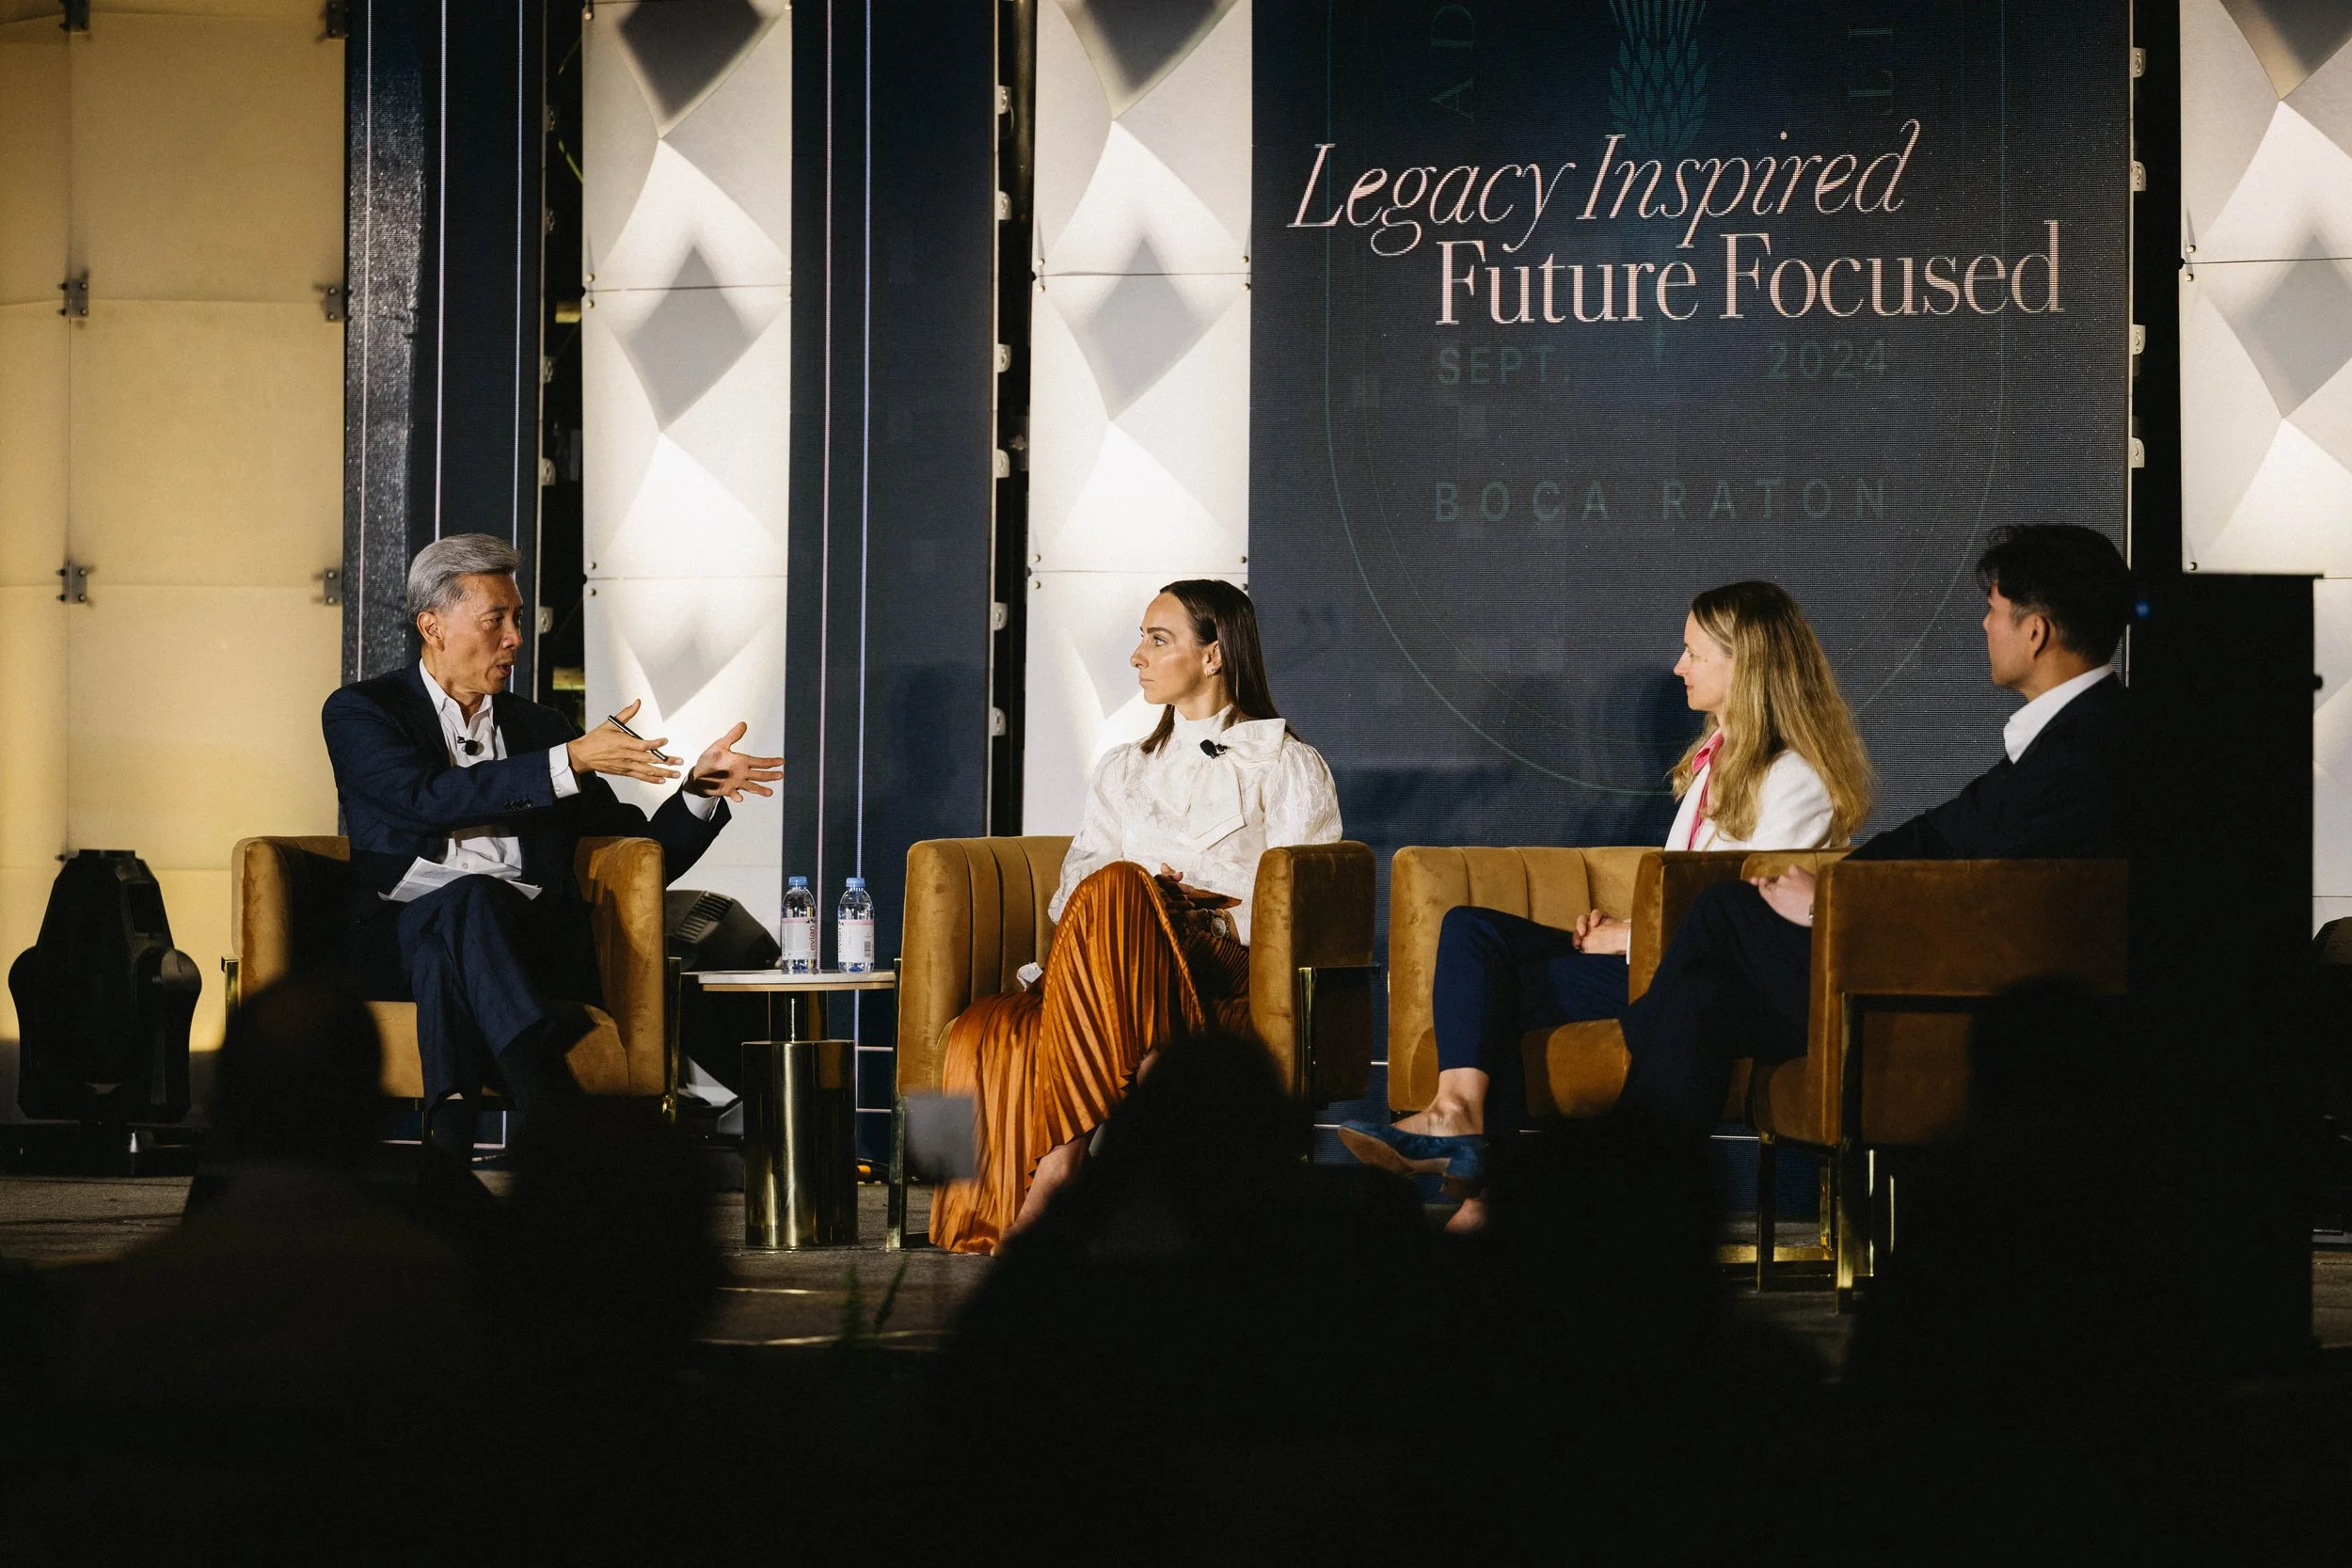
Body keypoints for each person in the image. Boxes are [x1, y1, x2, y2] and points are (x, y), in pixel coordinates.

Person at [1336, 581, 1872, 1228]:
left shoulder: (1795, 778)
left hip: (1697, 977)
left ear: (1746, 665)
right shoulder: (1714, 761)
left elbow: (1740, 918)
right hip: (1648, 956)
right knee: (1474, 932)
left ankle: (1482, 1194)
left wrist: (1631, 937)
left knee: (1498, 989)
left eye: (1694, 653)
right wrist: (1626, 933)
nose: (1679, 667)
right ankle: (1460, 1116)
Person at [1614, 524, 2131, 1133]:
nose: (1985, 627)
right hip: (1921, 960)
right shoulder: (2065, 736)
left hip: (1956, 988)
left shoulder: (2084, 752)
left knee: (1725, 910)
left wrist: (1826, 906)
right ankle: (1631, 1204)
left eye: (1993, 612)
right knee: (1703, 998)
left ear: (2036, 630)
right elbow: (1931, 839)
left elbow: (1996, 900)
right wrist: (1829, 890)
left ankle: (1625, 1138)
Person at [321, 533, 783, 1160]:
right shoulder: (362, 711)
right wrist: (566, 761)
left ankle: (451, 1138)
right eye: (496, 619)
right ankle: (546, 1114)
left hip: (529, 938)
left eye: (517, 617)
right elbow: (424, 797)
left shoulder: (538, 728)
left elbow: (639, 857)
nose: (515, 636)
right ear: (432, 625)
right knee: (459, 911)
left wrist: (697, 791)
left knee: (462, 915)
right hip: (396, 936)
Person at [929, 580, 1343, 1253]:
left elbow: (1307, 904)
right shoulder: (1124, 767)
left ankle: (1062, 1165)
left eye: (1158, 639)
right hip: (1115, 951)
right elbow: (1073, 893)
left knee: (1125, 889)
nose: (1136, 657)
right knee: (984, 1025)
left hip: (1219, 961)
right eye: (1141, 639)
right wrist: (1146, 895)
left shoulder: (1286, 763)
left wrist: (1189, 908)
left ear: (1213, 656)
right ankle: (970, 1210)